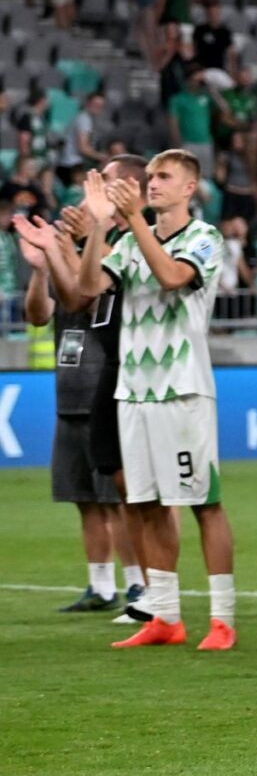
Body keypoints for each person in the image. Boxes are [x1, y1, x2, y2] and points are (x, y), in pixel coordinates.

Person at [55, 155, 234, 647]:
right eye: (149, 177)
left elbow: (174, 277)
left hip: (183, 388)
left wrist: (132, 219)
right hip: (132, 391)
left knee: (204, 503)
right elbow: (88, 288)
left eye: (163, 178)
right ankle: (167, 617)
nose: (151, 185)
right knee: (146, 503)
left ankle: (223, 618)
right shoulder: (129, 241)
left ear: (190, 187)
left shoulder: (205, 237)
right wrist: (96, 228)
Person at [18, 200, 136, 615]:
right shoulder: (60, 266)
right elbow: (37, 316)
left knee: (115, 500)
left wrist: (71, 248)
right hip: (67, 398)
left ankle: (138, 585)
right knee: (83, 497)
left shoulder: (107, 263)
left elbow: (87, 298)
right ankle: (101, 587)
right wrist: (39, 269)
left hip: (104, 392)